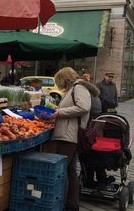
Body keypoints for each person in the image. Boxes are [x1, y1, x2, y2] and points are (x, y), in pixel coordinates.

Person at [49, 67, 98, 211]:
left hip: (69, 136)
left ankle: (61, 205)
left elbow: (83, 107)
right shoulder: (73, 89)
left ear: (65, 78)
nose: (60, 85)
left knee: (61, 171)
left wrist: (59, 113)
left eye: (60, 81)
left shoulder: (79, 88)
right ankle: (71, 205)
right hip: (67, 133)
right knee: (70, 170)